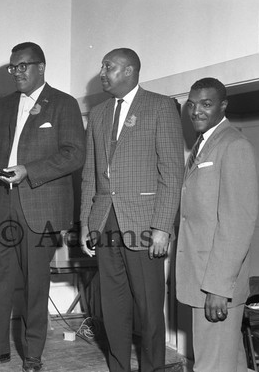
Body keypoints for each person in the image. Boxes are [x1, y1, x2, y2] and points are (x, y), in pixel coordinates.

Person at [0, 42, 85, 372]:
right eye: (12, 68)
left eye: (22, 66)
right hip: (1, 202)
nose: (16, 73)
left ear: (41, 67)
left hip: (40, 204)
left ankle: (32, 355)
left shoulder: (63, 104)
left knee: (34, 283)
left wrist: (30, 170)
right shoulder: (2, 106)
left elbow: (75, 154)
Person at [79, 48, 184, 372]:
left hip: (145, 225)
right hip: (105, 221)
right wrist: (86, 223)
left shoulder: (161, 106)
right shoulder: (97, 114)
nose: (102, 72)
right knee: (113, 309)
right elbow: (89, 175)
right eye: (102, 66)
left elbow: (172, 171)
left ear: (129, 71)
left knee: (150, 311)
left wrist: (162, 227)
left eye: (108, 66)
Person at [176, 77, 258, 372]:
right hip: (201, 276)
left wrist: (218, 289)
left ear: (223, 106)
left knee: (211, 366)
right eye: (192, 104)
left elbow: (237, 224)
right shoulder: (203, 144)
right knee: (227, 362)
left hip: (215, 282)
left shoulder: (234, 145)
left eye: (206, 104)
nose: (196, 111)